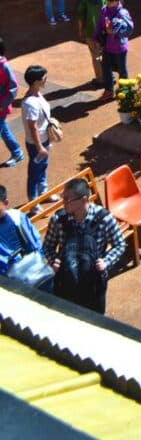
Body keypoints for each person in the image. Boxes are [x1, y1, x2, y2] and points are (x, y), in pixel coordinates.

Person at [43, 176, 126, 313]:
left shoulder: (104, 218)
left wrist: (106, 262)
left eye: (67, 200)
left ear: (84, 200)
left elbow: (120, 244)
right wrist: (53, 261)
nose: (63, 203)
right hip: (66, 280)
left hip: (93, 281)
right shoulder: (58, 219)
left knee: (95, 320)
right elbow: (48, 246)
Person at [0, 183, 50, 287]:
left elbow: (35, 241)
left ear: (6, 203)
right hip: (11, 279)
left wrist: (41, 259)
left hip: (35, 268)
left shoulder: (18, 217)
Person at [92, 0, 134, 101]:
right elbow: (99, 25)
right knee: (105, 68)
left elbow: (130, 29)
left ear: (117, 1)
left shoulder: (122, 13)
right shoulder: (104, 10)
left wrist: (116, 33)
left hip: (119, 48)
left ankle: (124, 91)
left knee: (122, 70)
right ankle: (109, 91)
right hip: (107, 46)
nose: (108, 2)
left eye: (111, 0)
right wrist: (96, 38)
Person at [21, 65, 53, 207]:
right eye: (44, 78)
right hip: (36, 144)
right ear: (35, 81)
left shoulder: (37, 94)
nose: (46, 80)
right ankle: (33, 202)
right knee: (34, 171)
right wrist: (40, 147)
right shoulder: (30, 103)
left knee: (42, 167)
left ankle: (43, 193)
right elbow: (32, 127)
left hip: (43, 140)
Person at [75, 0, 107, 86]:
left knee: (96, 56)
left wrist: (80, 32)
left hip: (90, 31)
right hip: (104, 30)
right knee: (104, 54)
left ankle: (100, 79)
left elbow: (80, 17)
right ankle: (107, 75)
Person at [0, 38, 23, 168]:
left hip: (1, 107)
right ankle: (17, 152)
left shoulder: (4, 66)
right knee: (4, 130)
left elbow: (13, 88)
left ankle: (17, 152)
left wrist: (2, 105)